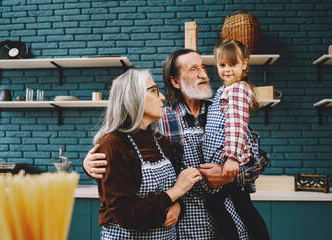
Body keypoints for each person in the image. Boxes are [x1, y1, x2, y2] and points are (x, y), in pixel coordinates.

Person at [84, 49, 270, 239]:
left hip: (230, 223)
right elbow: (124, 161)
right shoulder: (160, 121)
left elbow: (261, 159)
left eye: (204, 67)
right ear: (175, 81)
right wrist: (90, 164)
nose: (203, 74)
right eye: (193, 69)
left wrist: (231, 176)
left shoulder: (225, 109)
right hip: (186, 227)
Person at [92, 68, 202, 239]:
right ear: (133, 97)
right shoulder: (113, 144)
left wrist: (177, 206)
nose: (163, 97)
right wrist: (176, 191)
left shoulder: (161, 141)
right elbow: (127, 216)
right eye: (153, 91)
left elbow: (168, 196)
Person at [202, 39, 270, 239]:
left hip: (229, 157)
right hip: (224, 156)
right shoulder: (224, 90)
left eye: (233, 64)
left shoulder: (238, 89)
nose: (227, 70)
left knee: (216, 203)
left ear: (245, 64)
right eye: (222, 65)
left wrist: (232, 157)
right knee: (242, 204)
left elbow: (236, 122)